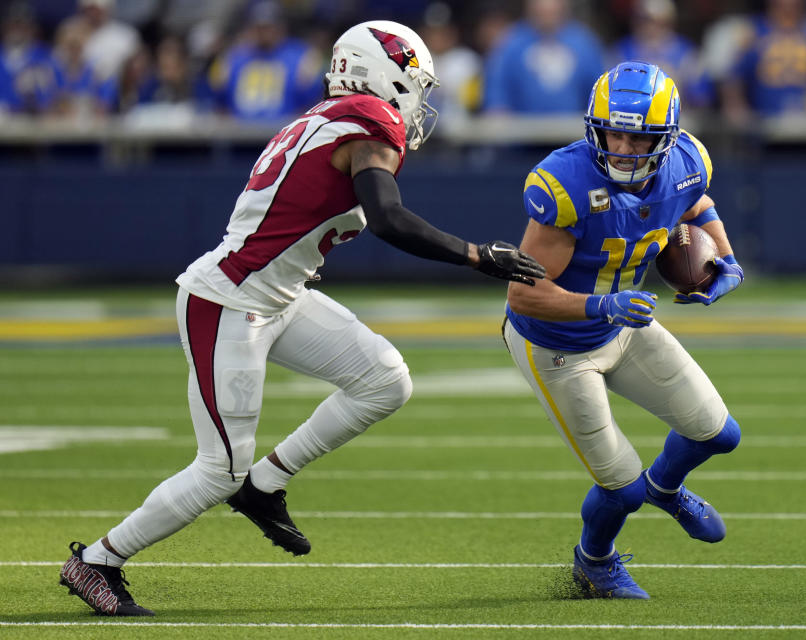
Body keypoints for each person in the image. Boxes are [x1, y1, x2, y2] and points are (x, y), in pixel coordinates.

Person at [58, 19, 545, 617]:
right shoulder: (369, 120)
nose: (420, 96)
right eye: (416, 80)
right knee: (217, 470)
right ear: (382, 72)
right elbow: (389, 218)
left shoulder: (321, 117)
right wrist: (476, 255)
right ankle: (99, 560)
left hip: (276, 294)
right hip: (231, 300)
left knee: (385, 380)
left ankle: (264, 485)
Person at [502, 61, 743, 599]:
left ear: (667, 137)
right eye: (615, 133)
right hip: (555, 344)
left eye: (640, 137)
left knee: (718, 433)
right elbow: (522, 293)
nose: (625, 148)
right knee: (621, 489)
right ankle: (594, 562)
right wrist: (602, 305)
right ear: (595, 127)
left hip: (625, 323)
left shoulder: (687, 162)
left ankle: (667, 486)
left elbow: (697, 203)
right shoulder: (565, 182)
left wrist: (726, 260)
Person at [483, 0, 605, 113]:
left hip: (574, 131)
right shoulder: (510, 42)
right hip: (523, 131)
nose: (547, 9)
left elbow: (600, 91)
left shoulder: (583, 43)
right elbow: (497, 93)